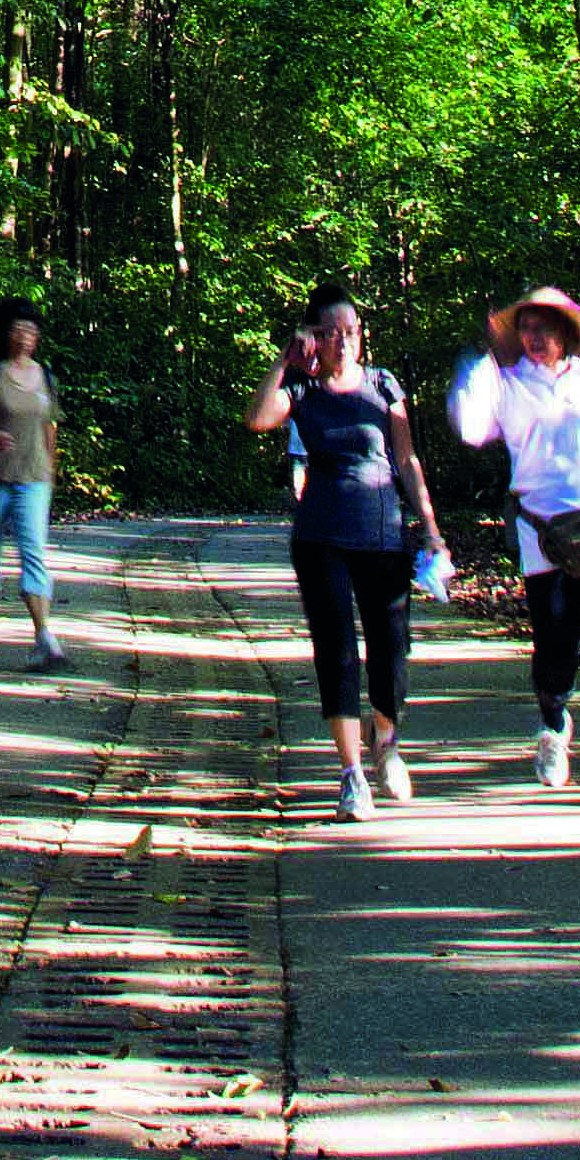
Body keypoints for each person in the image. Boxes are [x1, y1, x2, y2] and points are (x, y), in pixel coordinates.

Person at [450, 285, 580, 800]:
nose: (535, 338)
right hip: (544, 539)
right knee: (555, 648)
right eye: (526, 328)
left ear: (567, 333)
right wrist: (485, 363)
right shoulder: (504, 385)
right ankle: (553, 727)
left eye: (546, 328)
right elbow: (469, 428)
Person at [246, 289, 425, 818]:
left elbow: (407, 458)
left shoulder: (383, 385)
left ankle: (385, 739)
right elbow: (257, 418)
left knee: (392, 653)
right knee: (337, 651)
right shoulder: (300, 386)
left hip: (384, 533)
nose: (343, 341)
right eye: (330, 331)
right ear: (314, 337)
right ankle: (350, 774)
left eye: (351, 331)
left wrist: (431, 527)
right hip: (321, 536)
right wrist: (284, 357)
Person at [0, 302, 65, 669]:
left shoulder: (46, 376)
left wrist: (51, 472)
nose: (26, 337)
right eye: (19, 329)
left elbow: (50, 428)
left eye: (32, 331)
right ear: (5, 332)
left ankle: (43, 635)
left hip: (33, 481)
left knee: (34, 553)